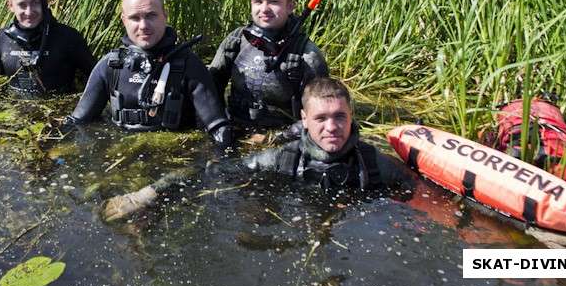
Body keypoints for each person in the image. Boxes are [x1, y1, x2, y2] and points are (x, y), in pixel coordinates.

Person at [101, 77, 411, 221]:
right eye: (321, 118)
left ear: (351, 116)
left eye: (339, 117)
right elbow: (212, 173)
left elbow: (416, 194)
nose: (331, 127)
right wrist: (146, 194)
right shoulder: (283, 158)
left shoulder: (374, 164)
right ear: (304, 120)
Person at [67, 0, 233, 148]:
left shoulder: (189, 65)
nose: (144, 26)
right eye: (135, 18)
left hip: (175, 158)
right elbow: (78, 122)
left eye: (151, 15)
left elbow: (217, 126)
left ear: (164, 16)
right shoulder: (111, 66)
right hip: (122, 155)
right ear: (124, 20)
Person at [208, 0, 328, 130]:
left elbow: (322, 114)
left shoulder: (307, 55)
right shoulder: (235, 41)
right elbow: (209, 89)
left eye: (273, 2)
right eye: (258, 1)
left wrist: (282, 138)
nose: (264, 9)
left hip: (283, 139)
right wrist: (218, 124)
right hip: (234, 128)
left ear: (290, 6)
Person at [0, 0, 95, 96]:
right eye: (22, 5)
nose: (29, 12)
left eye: (35, 3)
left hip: (58, 111)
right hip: (14, 109)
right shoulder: (3, 38)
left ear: (45, 2)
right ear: (10, 5)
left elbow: (97, 77)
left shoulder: (68, 38)